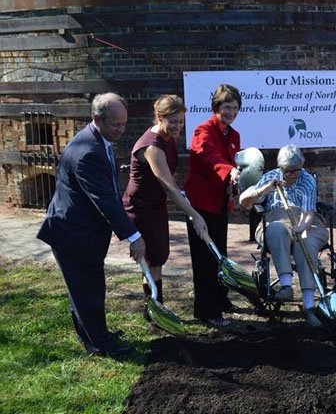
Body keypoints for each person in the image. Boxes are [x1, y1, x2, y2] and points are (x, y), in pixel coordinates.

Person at [37, 92, 146, 357]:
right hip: (72, 233)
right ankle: (99, 345)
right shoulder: (87, 152)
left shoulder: (97, 141)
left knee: (86, 288)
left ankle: (94, 335)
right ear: (97, 118)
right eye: (115, 124)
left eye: (123, 124)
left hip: (79, 231)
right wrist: (134, 237)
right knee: (87, 291)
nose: (121, 130)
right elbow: (105, 201)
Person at [122, 95, 208, 318]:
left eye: (181, 121)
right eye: (174, 121)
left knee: (158, 258)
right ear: (160, 118)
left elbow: (171, 181)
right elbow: (168, 186)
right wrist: (195, 216)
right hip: (141, 207)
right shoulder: (152, 146)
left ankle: (155, 310)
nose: (179, 126)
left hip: (156, 204)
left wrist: (184, 194)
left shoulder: (168, 137)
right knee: (152, 261)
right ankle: (155, 313)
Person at [239, 145, 328, 327]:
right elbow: (245, 203)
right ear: (281, 168)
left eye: (295, 171)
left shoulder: (307, 180)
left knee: (306, 242)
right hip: (276, 219)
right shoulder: (270, 177)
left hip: (306, 223)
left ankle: (309, 305)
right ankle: (286, 286)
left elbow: (308, 212)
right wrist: (264, 190)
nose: (291, 175)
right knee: (277, 229)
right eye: (287, 171)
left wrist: (302, 228)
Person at [184, 84, 242, 327]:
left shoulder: (234, 135)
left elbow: (233, 163)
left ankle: (221, 298)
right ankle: (206, 310)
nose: (231, 112)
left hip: (219, 203)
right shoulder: (203, 131)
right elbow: (211, 159)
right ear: (216, 107)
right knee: (205, 258)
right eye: (227, 107)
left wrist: (234, 185)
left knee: (220, 254)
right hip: (201, 204)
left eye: (235, 108)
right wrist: (229, 173)